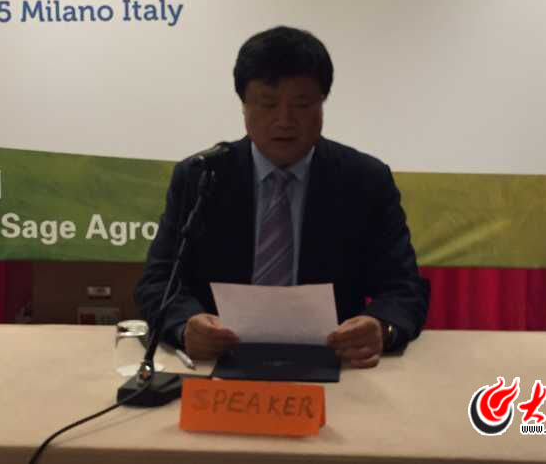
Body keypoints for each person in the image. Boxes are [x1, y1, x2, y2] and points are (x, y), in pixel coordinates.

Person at [135, 26, 429, 368]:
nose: (284, 121)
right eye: (268, 103)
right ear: (243, 104)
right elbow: (158, 281)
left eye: (302, 104)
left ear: (323, 103)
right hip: (218, 362)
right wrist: (185, 325)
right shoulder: (201, 176)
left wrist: (381, 327)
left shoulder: (365, 180)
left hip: (337, 364)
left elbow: (404, 288)